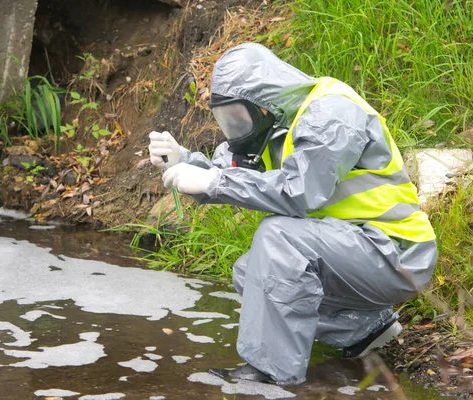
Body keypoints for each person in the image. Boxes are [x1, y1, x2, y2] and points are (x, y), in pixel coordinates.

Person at [147, 42, 437, 385]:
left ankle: (273, 377)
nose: (234, 129)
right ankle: (364, 330)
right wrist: (185, 160)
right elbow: (225, 173)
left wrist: (213, 181)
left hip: (396, 253)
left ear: (264, 102)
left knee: (278, 236)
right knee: (251, 272)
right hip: (355, 250)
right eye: (226, 120)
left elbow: (298, 192)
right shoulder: (273, 129)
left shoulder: (331, 113)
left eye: (238, 117)